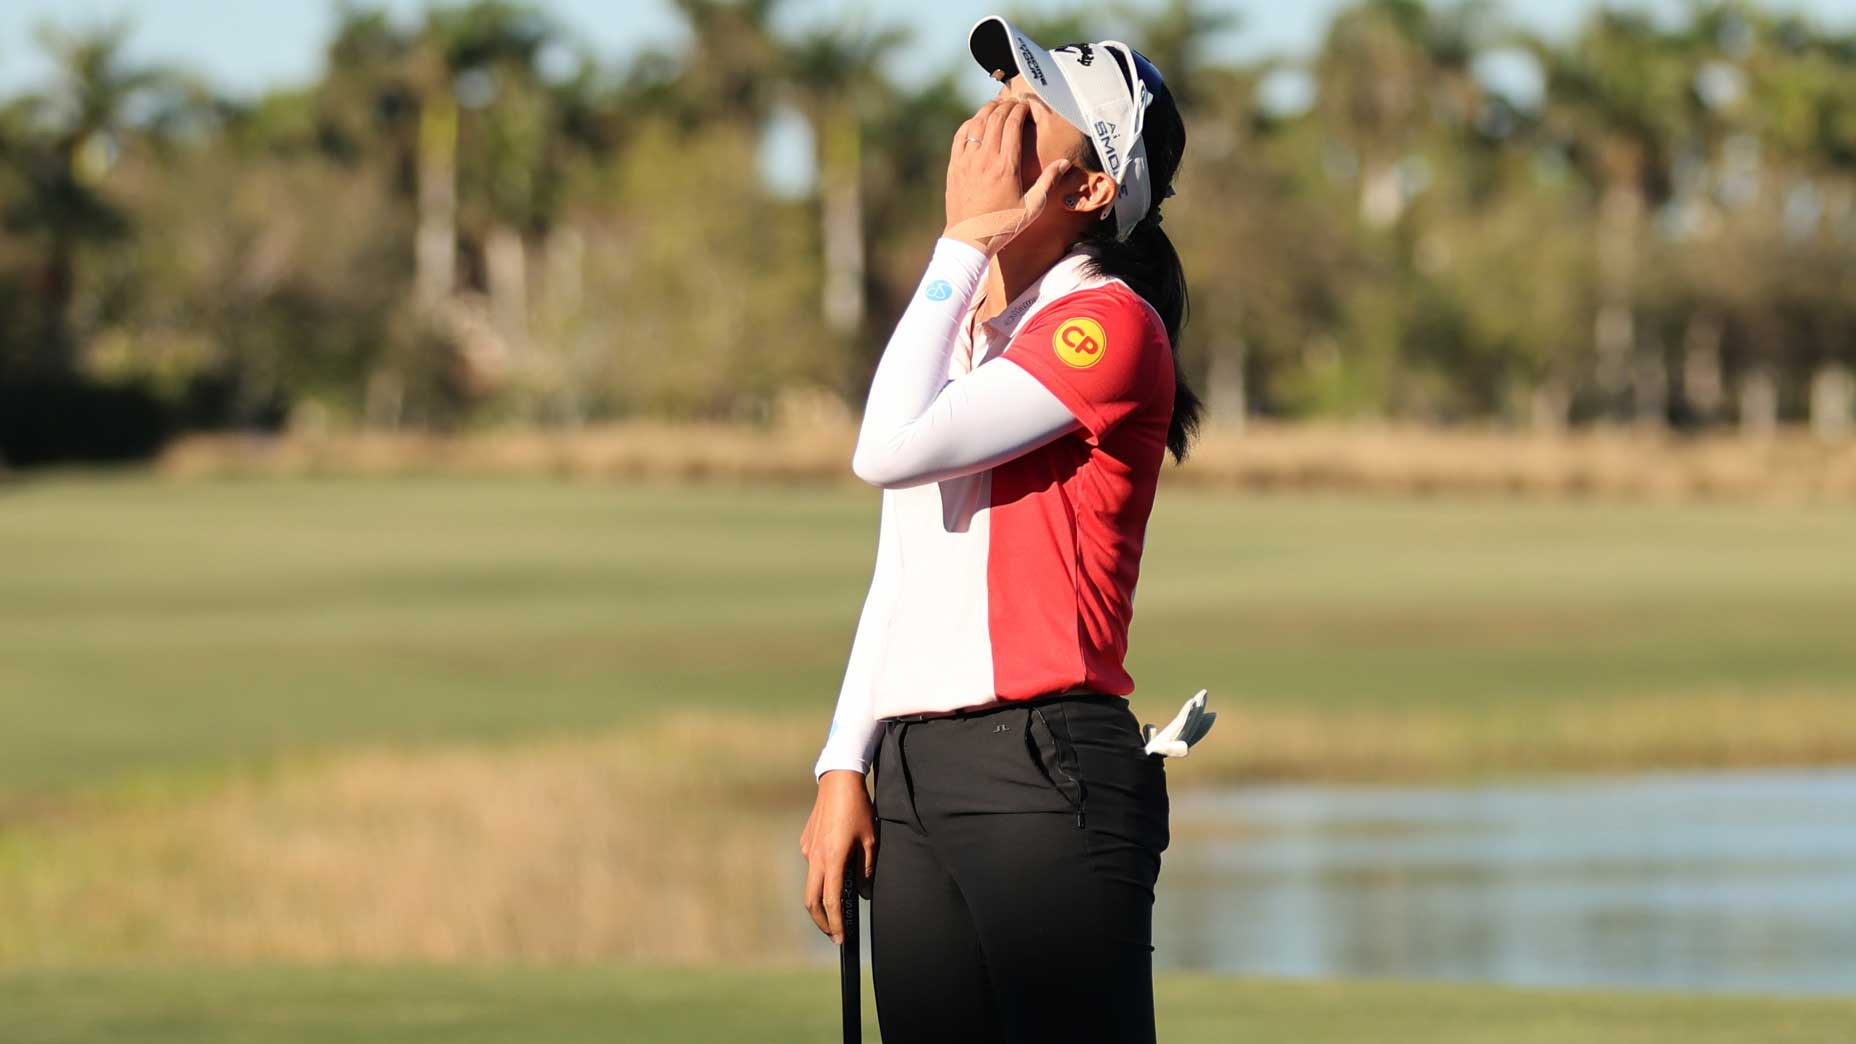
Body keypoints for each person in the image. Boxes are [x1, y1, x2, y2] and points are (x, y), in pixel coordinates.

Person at [797, 15, 1203, 1044]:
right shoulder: (967, 332)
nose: (992, 125)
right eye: (999, 101)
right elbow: (901, 567)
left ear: (1088, 189)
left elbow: (881, 448)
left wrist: (952, 247)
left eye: (1030, 116)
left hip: (1042, 767)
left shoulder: (1106, 323)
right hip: (917, 772)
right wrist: (843, 763)